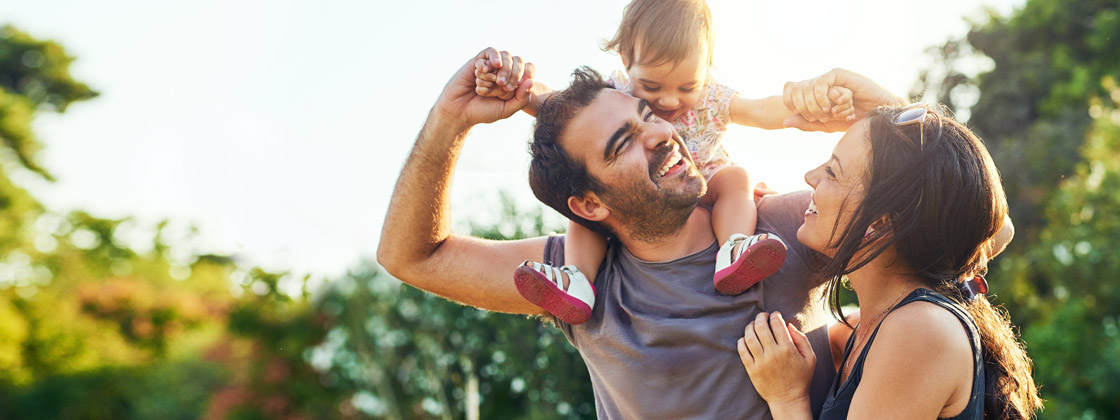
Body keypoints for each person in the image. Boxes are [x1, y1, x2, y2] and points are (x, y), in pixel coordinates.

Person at [378, 45, 902, 418]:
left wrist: (890, 113)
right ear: (589, 204)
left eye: (647, 113)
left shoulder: (785, 228)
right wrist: (451, 118)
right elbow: (412, 257)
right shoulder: (577, 282)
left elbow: (972, 235)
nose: (660, 133)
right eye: (622, 142)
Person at [473, 0, 855, 324]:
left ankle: (735, 248)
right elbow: (554, 103)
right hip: (642, 195)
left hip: (704, 178)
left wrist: (808, 104)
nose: (670, 102)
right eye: (652, 87)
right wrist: (515, 87)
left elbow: (761, 110)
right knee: (588, 213)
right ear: (625, 60)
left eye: (687, 87)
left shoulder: (711, 98)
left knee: (737, 177)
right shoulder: (614, 93)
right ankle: (576, 281)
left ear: (706, 68)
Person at [736, 103, 1043, 418]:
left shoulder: (920, 330)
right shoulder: (873, 327)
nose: (811, 176)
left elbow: (990, 224)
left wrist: (787, 399)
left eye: (832, 171)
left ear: (880, 223)